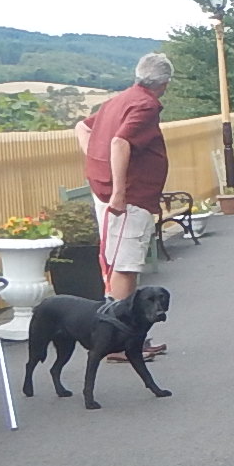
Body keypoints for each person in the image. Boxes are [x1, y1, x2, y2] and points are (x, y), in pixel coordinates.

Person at [78, 54, 172, 318]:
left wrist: (96, 159)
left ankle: (116, 329)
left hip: (105, 191)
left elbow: (82, 127)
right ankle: (119, 331)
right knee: (125, 266)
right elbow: (120, 142)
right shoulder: (145, 105)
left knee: (115, 260)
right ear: (164, 83)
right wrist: (119, 193)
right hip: (129, 198)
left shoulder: (118, 100)